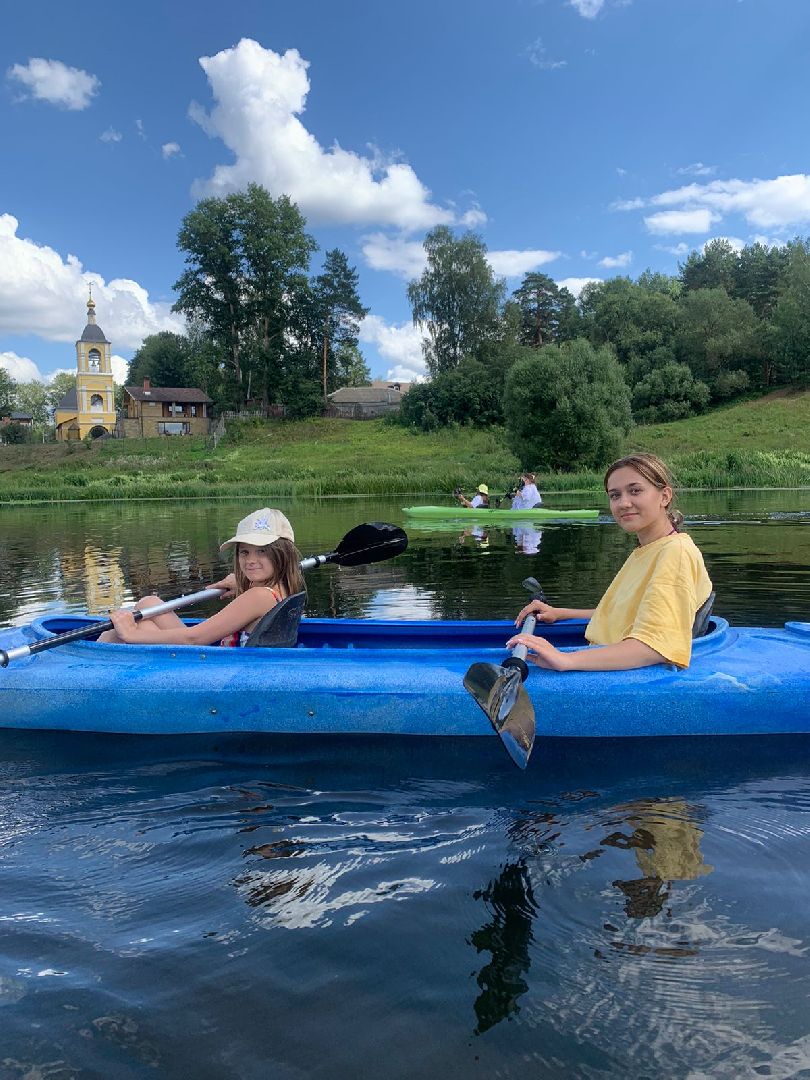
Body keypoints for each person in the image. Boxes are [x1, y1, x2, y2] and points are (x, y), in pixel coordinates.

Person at [507, 453, 712, 671]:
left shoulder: (675, 553)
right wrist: (560, 612)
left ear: (664, 496)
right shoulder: (647, 550)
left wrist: (566, 660)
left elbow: (655, 647)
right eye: (615, 495)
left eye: (635, 491)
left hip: (630, 674)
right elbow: (621, 613)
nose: (623, 503)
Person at [98, 508, 305, 647]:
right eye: (244, 552)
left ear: (282, 554)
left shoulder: (258, 596)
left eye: (262, 551)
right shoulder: (282, 588)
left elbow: (194, 638)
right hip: (228, 663)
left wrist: (131, 635)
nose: (251, 560)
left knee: (135, 626)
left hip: (220, 672)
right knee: (149, 602)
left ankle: (90, 666)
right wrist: (243, 584)